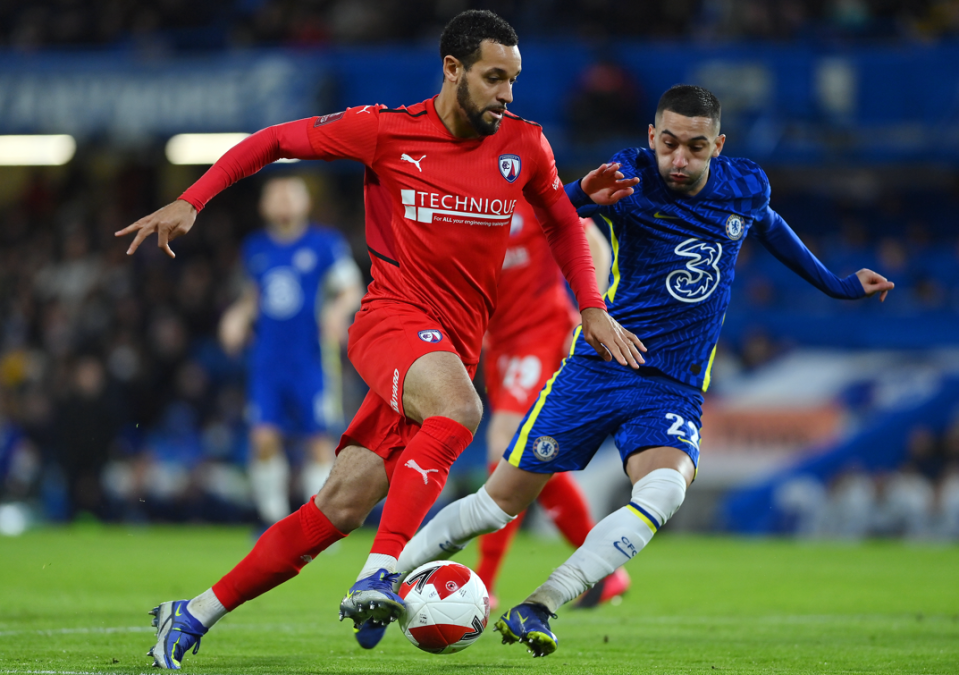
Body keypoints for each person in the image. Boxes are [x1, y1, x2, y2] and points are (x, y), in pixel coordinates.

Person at [116, 10, 644, 669]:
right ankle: (381, 571)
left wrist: (590, 306)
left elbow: (563, 225)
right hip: (390, 321)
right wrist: (194, 198)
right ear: (452, 70)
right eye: (492, 78)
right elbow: (275, 139)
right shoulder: (386, 131)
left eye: (512, 79)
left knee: (335, 506)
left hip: (448, 349)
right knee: (461, 411)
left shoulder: (524, 145)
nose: (507, 92)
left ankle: (191, 613)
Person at [391, 84, 895, 657]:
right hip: (598, 369)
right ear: (652, 137)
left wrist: (836, 284)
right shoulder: (628, 178)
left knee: (665, 488)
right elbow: (548, 213)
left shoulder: (744, 187)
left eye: (697, 148)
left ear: (718, 146)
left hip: (673, 386)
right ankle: (384, 577)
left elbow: (770, 225)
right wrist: (583, 192)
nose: (680, 160)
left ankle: (541, 603)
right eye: (671, 144)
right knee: (496, 502)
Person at [477, 198, 630, 609]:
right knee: (532, 458)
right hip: (500, 344)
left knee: (504, 443)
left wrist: (589, 314)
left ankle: (482, 583)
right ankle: (608, 572)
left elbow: (594, 243)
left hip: (543, 334)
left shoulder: (534, 198)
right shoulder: (470, 204)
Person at [219, 176, 362, 526]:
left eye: (290, 195)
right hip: (268, 361)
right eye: (275, 195)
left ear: (305, 203)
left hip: (312, 359)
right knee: (263, 438)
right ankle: (274, 523)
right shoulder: (255, 247)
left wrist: (337, 311)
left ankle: (318, 525)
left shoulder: (325, 244)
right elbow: (256, 295)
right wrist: (237, 317)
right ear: (263, 206)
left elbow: (351, 288)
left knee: (318, 440)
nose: (283, 201)